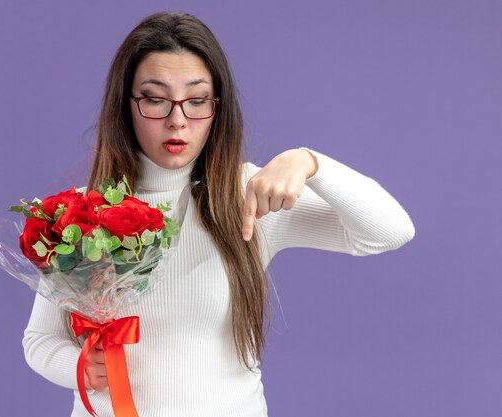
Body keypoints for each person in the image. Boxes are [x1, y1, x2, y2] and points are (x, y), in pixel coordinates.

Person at [22, 11, 415, 417]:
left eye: (196, 101)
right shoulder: (81, 217)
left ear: (217, 107)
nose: (178, 120)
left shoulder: (246, 198)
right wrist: (80, 367)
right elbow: (39, 340)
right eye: (155, 99)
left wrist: (311, 163)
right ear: (126, 106)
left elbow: (389, 230)